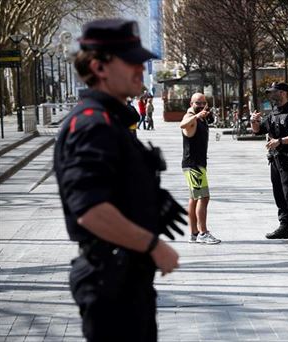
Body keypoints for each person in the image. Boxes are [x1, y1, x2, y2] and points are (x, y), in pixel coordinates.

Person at [53, 18, 185, 341]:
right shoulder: (91, 127)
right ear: (99, 67)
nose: (140, 69)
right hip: (111, 284)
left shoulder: (110, 122)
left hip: (125, 281)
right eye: (131, 61)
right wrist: (152, 245)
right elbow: (90, 210)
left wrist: (147, 203)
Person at [250, 82, 288, 241]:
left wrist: (279, 141)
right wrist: (253, 121)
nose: (270, 95)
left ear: (283, 93)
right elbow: (258, 130)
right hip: (275, 160)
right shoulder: (273, 113)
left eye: (273, 92)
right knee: (279, 194)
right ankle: (284, 226)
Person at [180, 92, 221, 244]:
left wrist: (202, 116)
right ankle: (203, 233)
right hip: (194, 165)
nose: (201, 105)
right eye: (198, 103)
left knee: (194, 198)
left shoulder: (201, 117)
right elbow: (182, 124)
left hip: (196, 164)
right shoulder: (190, 116)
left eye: (204, 102)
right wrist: (197, 116)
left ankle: (194, 234)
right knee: (203, 197)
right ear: (191, 103)